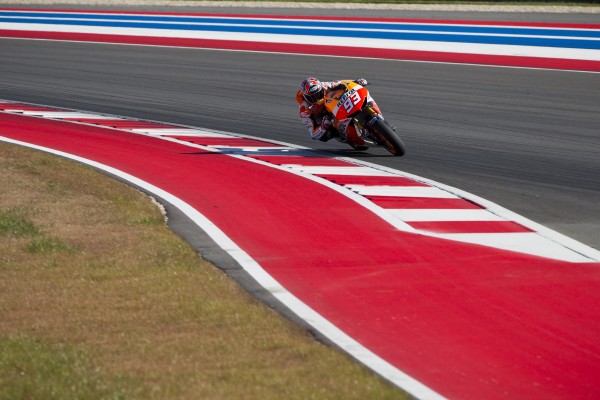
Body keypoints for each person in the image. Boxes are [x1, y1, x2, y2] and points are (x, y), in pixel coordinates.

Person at [295, 77, 380, 143]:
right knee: (327, 134)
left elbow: (341, 83)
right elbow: (313, 134)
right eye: (313, 97)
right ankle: (344, 135)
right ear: (306, 97)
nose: (317, 97)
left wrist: (356, 82)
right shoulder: (304, 110)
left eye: (319, 93)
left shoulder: (324, 85)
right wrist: (323, 126)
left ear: (320, 88)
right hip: (323, 118)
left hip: (334, 104)